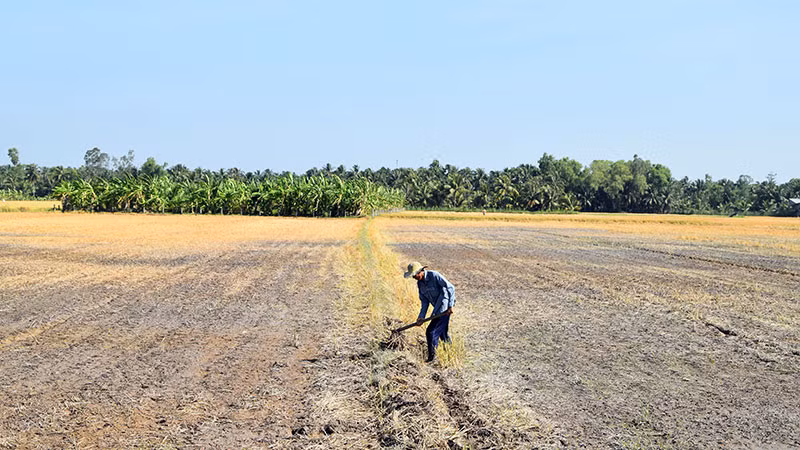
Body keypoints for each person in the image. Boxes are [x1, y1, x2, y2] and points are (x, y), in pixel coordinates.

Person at [403, 261, 455, 362]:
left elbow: (450, 287)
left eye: (415, 275)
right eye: (413, 276)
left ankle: (432, 358)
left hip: (444, 309)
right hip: (437, 309)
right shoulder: (420, 284)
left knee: (431, 332)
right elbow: (425, 302)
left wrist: (450, 306)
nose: (414, 277)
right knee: (442, 333)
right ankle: (450, 353)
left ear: (421, 271)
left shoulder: (434, 275)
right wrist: (421, 317)